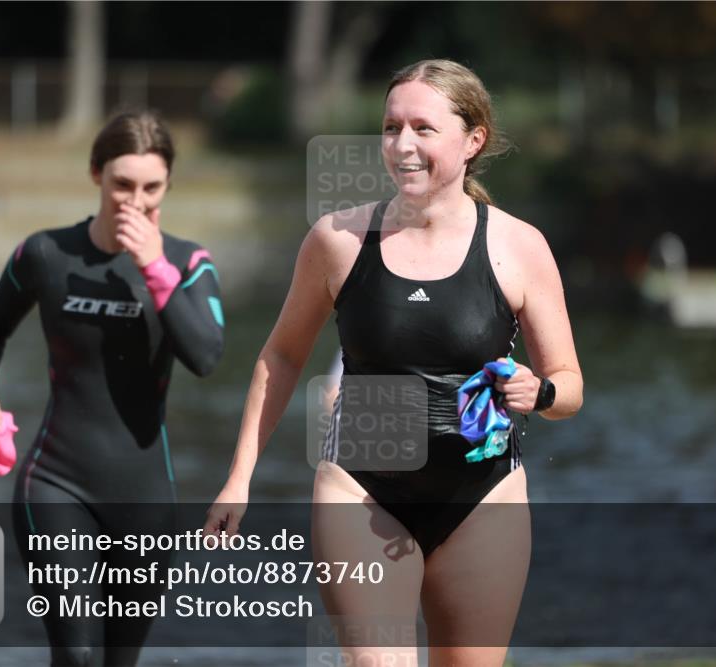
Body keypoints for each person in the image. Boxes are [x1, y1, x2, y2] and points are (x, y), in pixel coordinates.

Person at [204, 59, 582, 665]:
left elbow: (569, 388)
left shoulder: (518, 245)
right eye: (390, 127)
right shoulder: (338, 240)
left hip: (483, 495)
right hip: (361, 489)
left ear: (473, 139)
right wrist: (240, 475)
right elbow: (281, 355)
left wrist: (538, 392)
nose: (402, 145)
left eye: (423, 129)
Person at [0, 109, 224, 667]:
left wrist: (152, 268)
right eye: (122, 183)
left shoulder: (188, 262)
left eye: (152, 187)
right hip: (56, 481)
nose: (136, 200)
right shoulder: (47, 253)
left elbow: (204, 355)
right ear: (96, 174)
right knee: (76, 655)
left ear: (168, 185)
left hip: (144, 496)